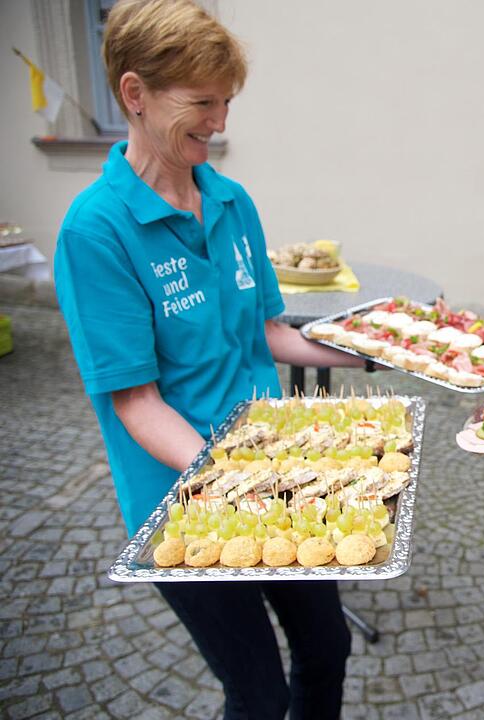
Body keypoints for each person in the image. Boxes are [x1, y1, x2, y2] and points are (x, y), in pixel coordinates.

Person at [53, 1, 369, 717]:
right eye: (201, 101)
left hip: (269, 464)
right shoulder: (97, 230)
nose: (220, 121)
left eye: (225, 101)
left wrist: (371, 351)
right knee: (254, 694)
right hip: (184, 499)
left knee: (327, 650)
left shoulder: (230, 201)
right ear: (134, 95)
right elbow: (137, 402)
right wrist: (240, 483)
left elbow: (266, 333)